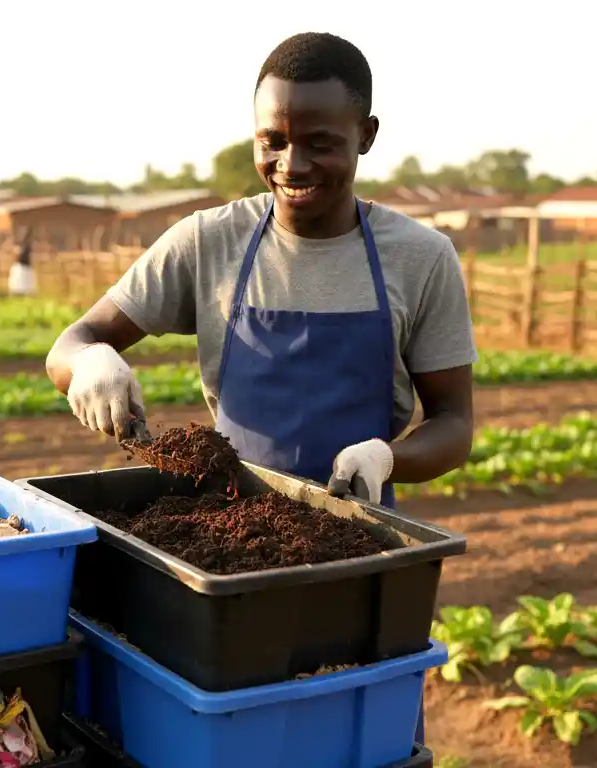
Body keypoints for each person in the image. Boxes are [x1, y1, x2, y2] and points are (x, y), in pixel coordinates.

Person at [46, 30, 475, 744]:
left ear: (366, 136)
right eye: (272, 140)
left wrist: (387, 457)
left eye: (320, 142)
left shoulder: (420, 259)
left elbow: (455, 422)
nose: (291, 164)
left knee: (346, 735)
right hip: (224, 543)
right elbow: (72, 342)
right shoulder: (207, 241)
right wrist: (90, 364)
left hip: (357, 546)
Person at [8, 227, 37, 296]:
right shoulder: (20, 248)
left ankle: (23, 291)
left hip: (25, 266)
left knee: (24, 281)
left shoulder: (25, 248)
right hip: (21, 266)